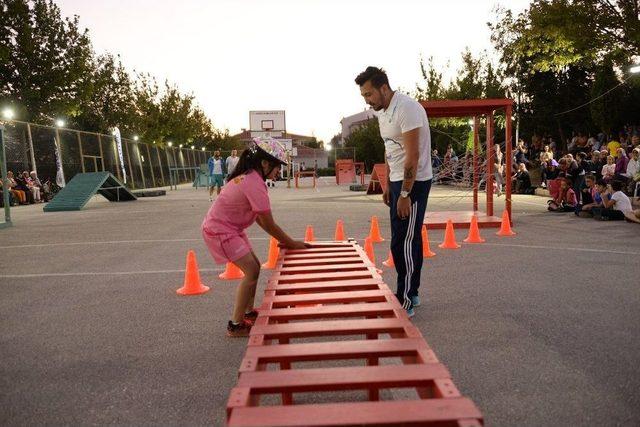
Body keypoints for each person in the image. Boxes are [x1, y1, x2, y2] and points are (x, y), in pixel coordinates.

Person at [201, 137, 309, 337]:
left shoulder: (251, 178)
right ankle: (235, 325)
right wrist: (292, 243)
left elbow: (260, 219)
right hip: (220, 230)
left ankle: (248, 313)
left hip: (230, 228)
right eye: (278, 167)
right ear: (265, 163)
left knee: (255, 266)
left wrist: (286, 241)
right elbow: (268, 223)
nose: (279, 171)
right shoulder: (253, 183)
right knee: (251, 271)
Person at [355, 66, 432, 317]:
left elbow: (413, 156)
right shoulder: (382, 113)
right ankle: (414, 292)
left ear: (383, 88)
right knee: (405, 238)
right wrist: (388, 184)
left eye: (369, 94)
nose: (367, 100)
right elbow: (390, 150)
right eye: (364, 95)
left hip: (415, 182)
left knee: (405, 241)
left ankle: (406, 298)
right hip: (398, 181)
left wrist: (406, 194)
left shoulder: (407, 109)